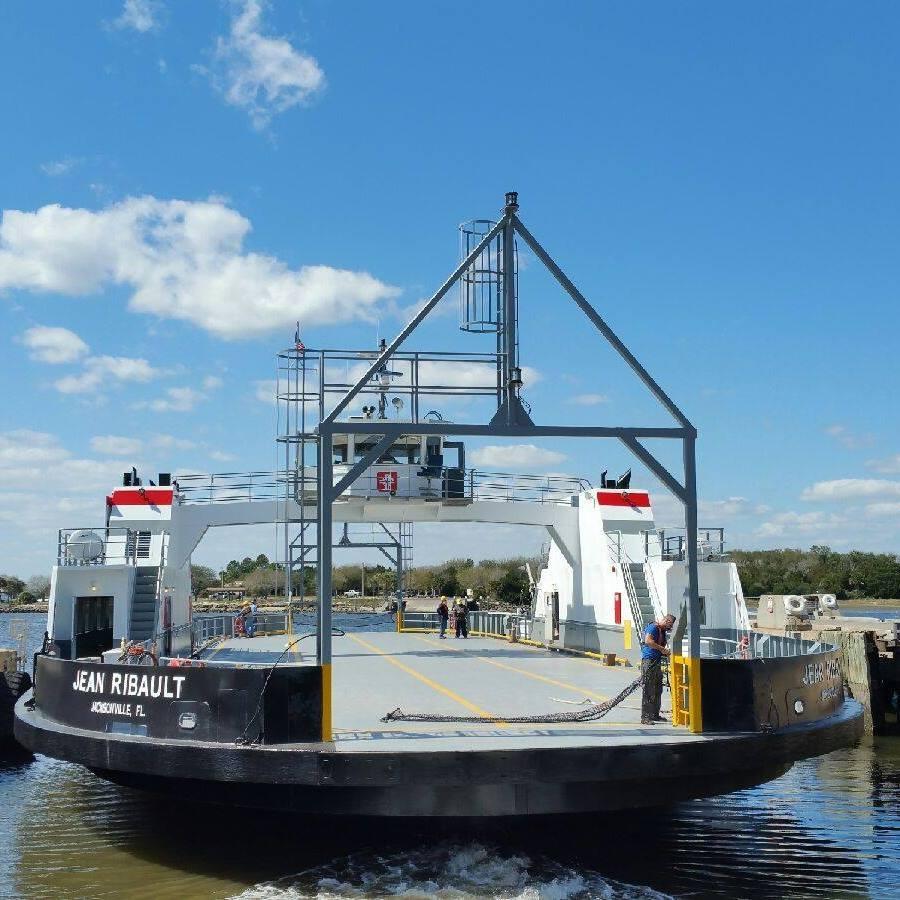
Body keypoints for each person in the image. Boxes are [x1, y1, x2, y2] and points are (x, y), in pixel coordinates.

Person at [640, 613, 675, 725]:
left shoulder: (662, 631)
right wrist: (662, 649)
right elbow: (648, 641)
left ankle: (655, 714)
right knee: (648, 689)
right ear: (667, 621)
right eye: (669, 626)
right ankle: (645, 717)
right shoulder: (653, 627)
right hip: (649, 662)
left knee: (658, 689)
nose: (669, 629)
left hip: (657, 661)